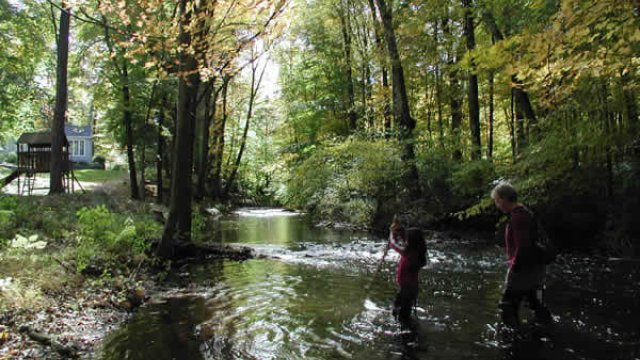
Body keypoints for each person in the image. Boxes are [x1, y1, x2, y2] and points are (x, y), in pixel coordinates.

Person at [491, 181, 552, 328]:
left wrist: (514, 268)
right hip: (534, 267)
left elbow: (523, 247)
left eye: (497, 201)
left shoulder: (519, 217)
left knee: (507, 306)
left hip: (525, 268)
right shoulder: (524, 213)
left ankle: (513, 340)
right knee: (535, 303)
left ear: (504, 199)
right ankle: (546, 329)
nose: (497, 205)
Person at [388, 219, 427, 327]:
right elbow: (401, 237)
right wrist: (397, 230)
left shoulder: (408, 254)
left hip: (407, 291)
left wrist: (392, 233)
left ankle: (407, 337)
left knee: (403, 318)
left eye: (407, 239)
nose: (405, 240)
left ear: (412, 241)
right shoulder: (417, 253)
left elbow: (393, 243)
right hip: (409, 289)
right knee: (398, 312)